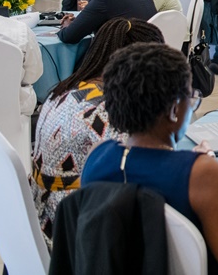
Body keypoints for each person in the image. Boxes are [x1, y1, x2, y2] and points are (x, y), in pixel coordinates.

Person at [80, 42, 218, 275]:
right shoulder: (201, 174)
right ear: (174, 110)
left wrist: (212, 172)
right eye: (191, 97)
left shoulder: (97, 156)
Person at [32, 18, 164, 240]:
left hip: (44, 219)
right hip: (75, 233)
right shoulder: (108, 111)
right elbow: (139, 170)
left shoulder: (64, 92)